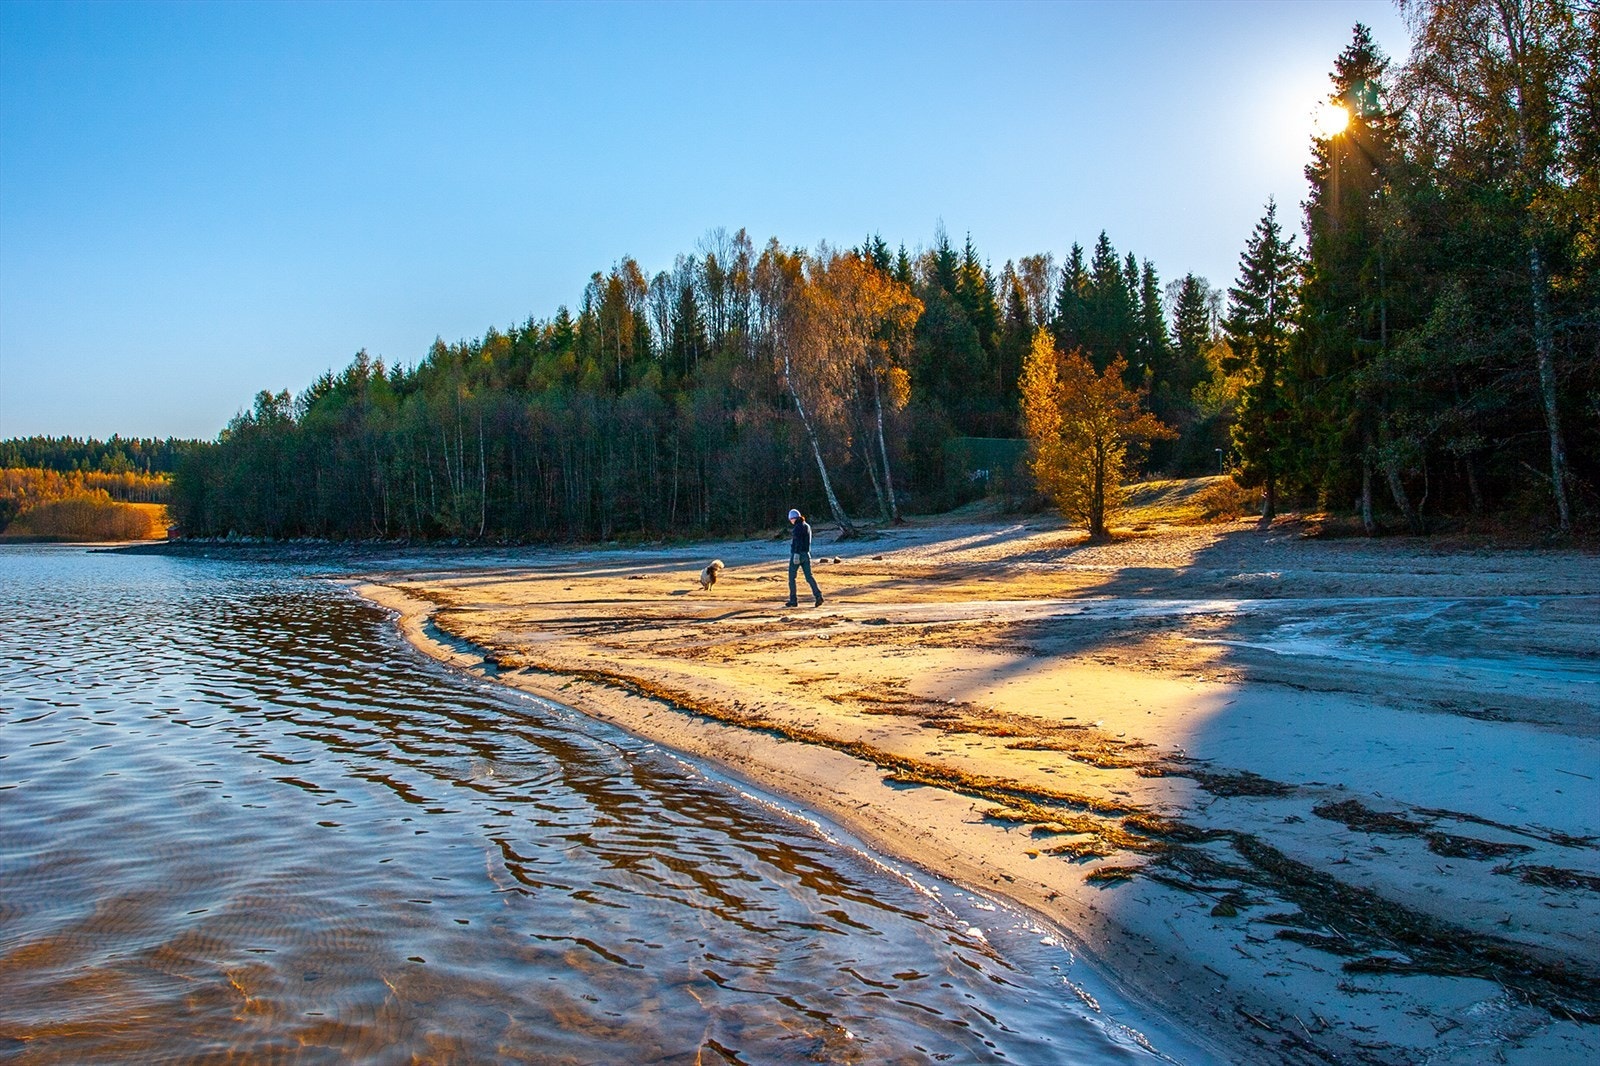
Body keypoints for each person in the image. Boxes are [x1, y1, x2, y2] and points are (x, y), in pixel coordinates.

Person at [786, 508, 822, 608]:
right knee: (809, 577)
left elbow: (797, 542)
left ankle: (793, 600)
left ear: (793, 518)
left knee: (791, 578)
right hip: (806, 554)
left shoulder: (797, 527)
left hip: (797, 555)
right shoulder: (807, 526)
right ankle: (818, 596)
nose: (791, 521)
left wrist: (796, 554)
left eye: (791, 519)